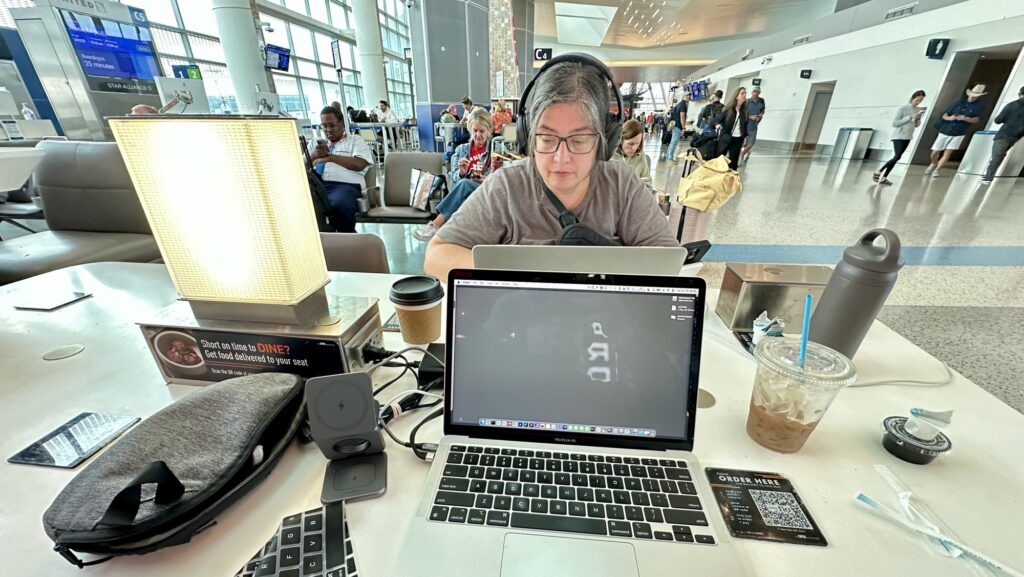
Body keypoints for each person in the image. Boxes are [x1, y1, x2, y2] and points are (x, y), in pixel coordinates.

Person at [423, 55, 677, 282]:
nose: (561, 158)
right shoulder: (506, 187)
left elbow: (668, 261)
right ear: (528, 136)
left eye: (578, 140)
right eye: (546, 138)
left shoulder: (622, 185)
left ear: (604, 141)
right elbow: (437, 255)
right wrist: (522, 274)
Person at [414, 108, 501, 241]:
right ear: (470, 130)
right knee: (463, 183)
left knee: (465, 184)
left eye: (482, 131)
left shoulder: (496, 150)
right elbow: (454, 181)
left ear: (489, 131)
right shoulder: (461, 150)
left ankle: (436, 224)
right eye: (475, 131)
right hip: (466, 193)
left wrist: (487, 179)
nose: (478, 135)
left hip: (486, 192)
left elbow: (501, 180)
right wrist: (461, 173)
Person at [309, 106, 372, 233]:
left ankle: (346, 237)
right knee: (306, 206)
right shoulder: (315, 144)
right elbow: (298, 165)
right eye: (324, 126)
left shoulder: (355, 140)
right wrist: (314, 155)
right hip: (317, 185)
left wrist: (330, 158)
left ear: (342, 123)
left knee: (339, 203)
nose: (328, 130)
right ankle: (324, 238)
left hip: (345, 186)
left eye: (332, 125)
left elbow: (359, 164)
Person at [927, 84, 986, 178]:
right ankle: (934, 163)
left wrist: (965, 118)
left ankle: (937, 170)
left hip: (960, 132)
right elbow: (944, 115)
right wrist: (950, 118)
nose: (972, 97)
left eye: (975, 96)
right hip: (946, 129)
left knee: (948, 151)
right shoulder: (958, 102)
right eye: (971, 95)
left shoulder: (979, 106)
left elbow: (977, 119)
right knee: (935, 151)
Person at [874, 90, 926, 185]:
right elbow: (895, 123)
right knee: (897, 156)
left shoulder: (918, 110)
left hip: (908, 136)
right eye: (917, 100)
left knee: (897, 157)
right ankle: (879, 171)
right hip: (898, 136)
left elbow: (916, 125)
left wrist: (918, 118)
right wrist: (909, 117)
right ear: (912, 98)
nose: (918, 102)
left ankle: (884, 177)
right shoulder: (903, 109)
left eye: (920, 101)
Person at [982, 85, 1024, 185]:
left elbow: (998, 120)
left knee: (996, 156)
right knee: (999, 155)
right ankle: (989, 174)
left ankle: (988, 177)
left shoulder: (1012, 105)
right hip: (1017, 136)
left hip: (1004, 134)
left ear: (1019, 94)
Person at [610, 118, 653, 192]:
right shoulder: (609, 155)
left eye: (637, 143)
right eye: (630, 144)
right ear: (621, 140)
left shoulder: (640, 155)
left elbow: (648, 185)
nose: (634, 148)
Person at [714, 86, 749, 170]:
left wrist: (744, 138)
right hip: (726, 137)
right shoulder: (729, 109)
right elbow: (716, 120)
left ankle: (730, 180)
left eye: (745, 93)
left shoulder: (744, 111)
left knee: (733, 162)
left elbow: (745, 126)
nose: (744, 95)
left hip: (737, 139)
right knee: (720, 159)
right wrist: (717, 124)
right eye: (742, 93)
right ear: (736, 96)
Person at [740, 88, 766, 164]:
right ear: (752, 92)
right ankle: (740, 156)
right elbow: (742, 113)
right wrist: (750, 117)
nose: (755, 93)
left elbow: (762, 110)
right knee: (741, 142)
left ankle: (743, 153)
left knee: (751, 143)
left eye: (757, 92)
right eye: (754, 92)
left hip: (753, 125)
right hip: (745, 125)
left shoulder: (761, 101)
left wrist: (760, 115)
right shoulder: (747, 102)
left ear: (759, 93)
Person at [664, 94, 689, 162]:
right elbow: (682, 116)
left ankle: (668, 156)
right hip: (678, 126)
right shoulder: (683, 105)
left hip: (675, 125)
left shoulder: (679, 104)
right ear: (684, 97)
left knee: (673, 141)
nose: (689, 97)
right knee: (674, 142)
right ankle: (669, 157)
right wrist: (683, 127)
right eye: (688, 96)